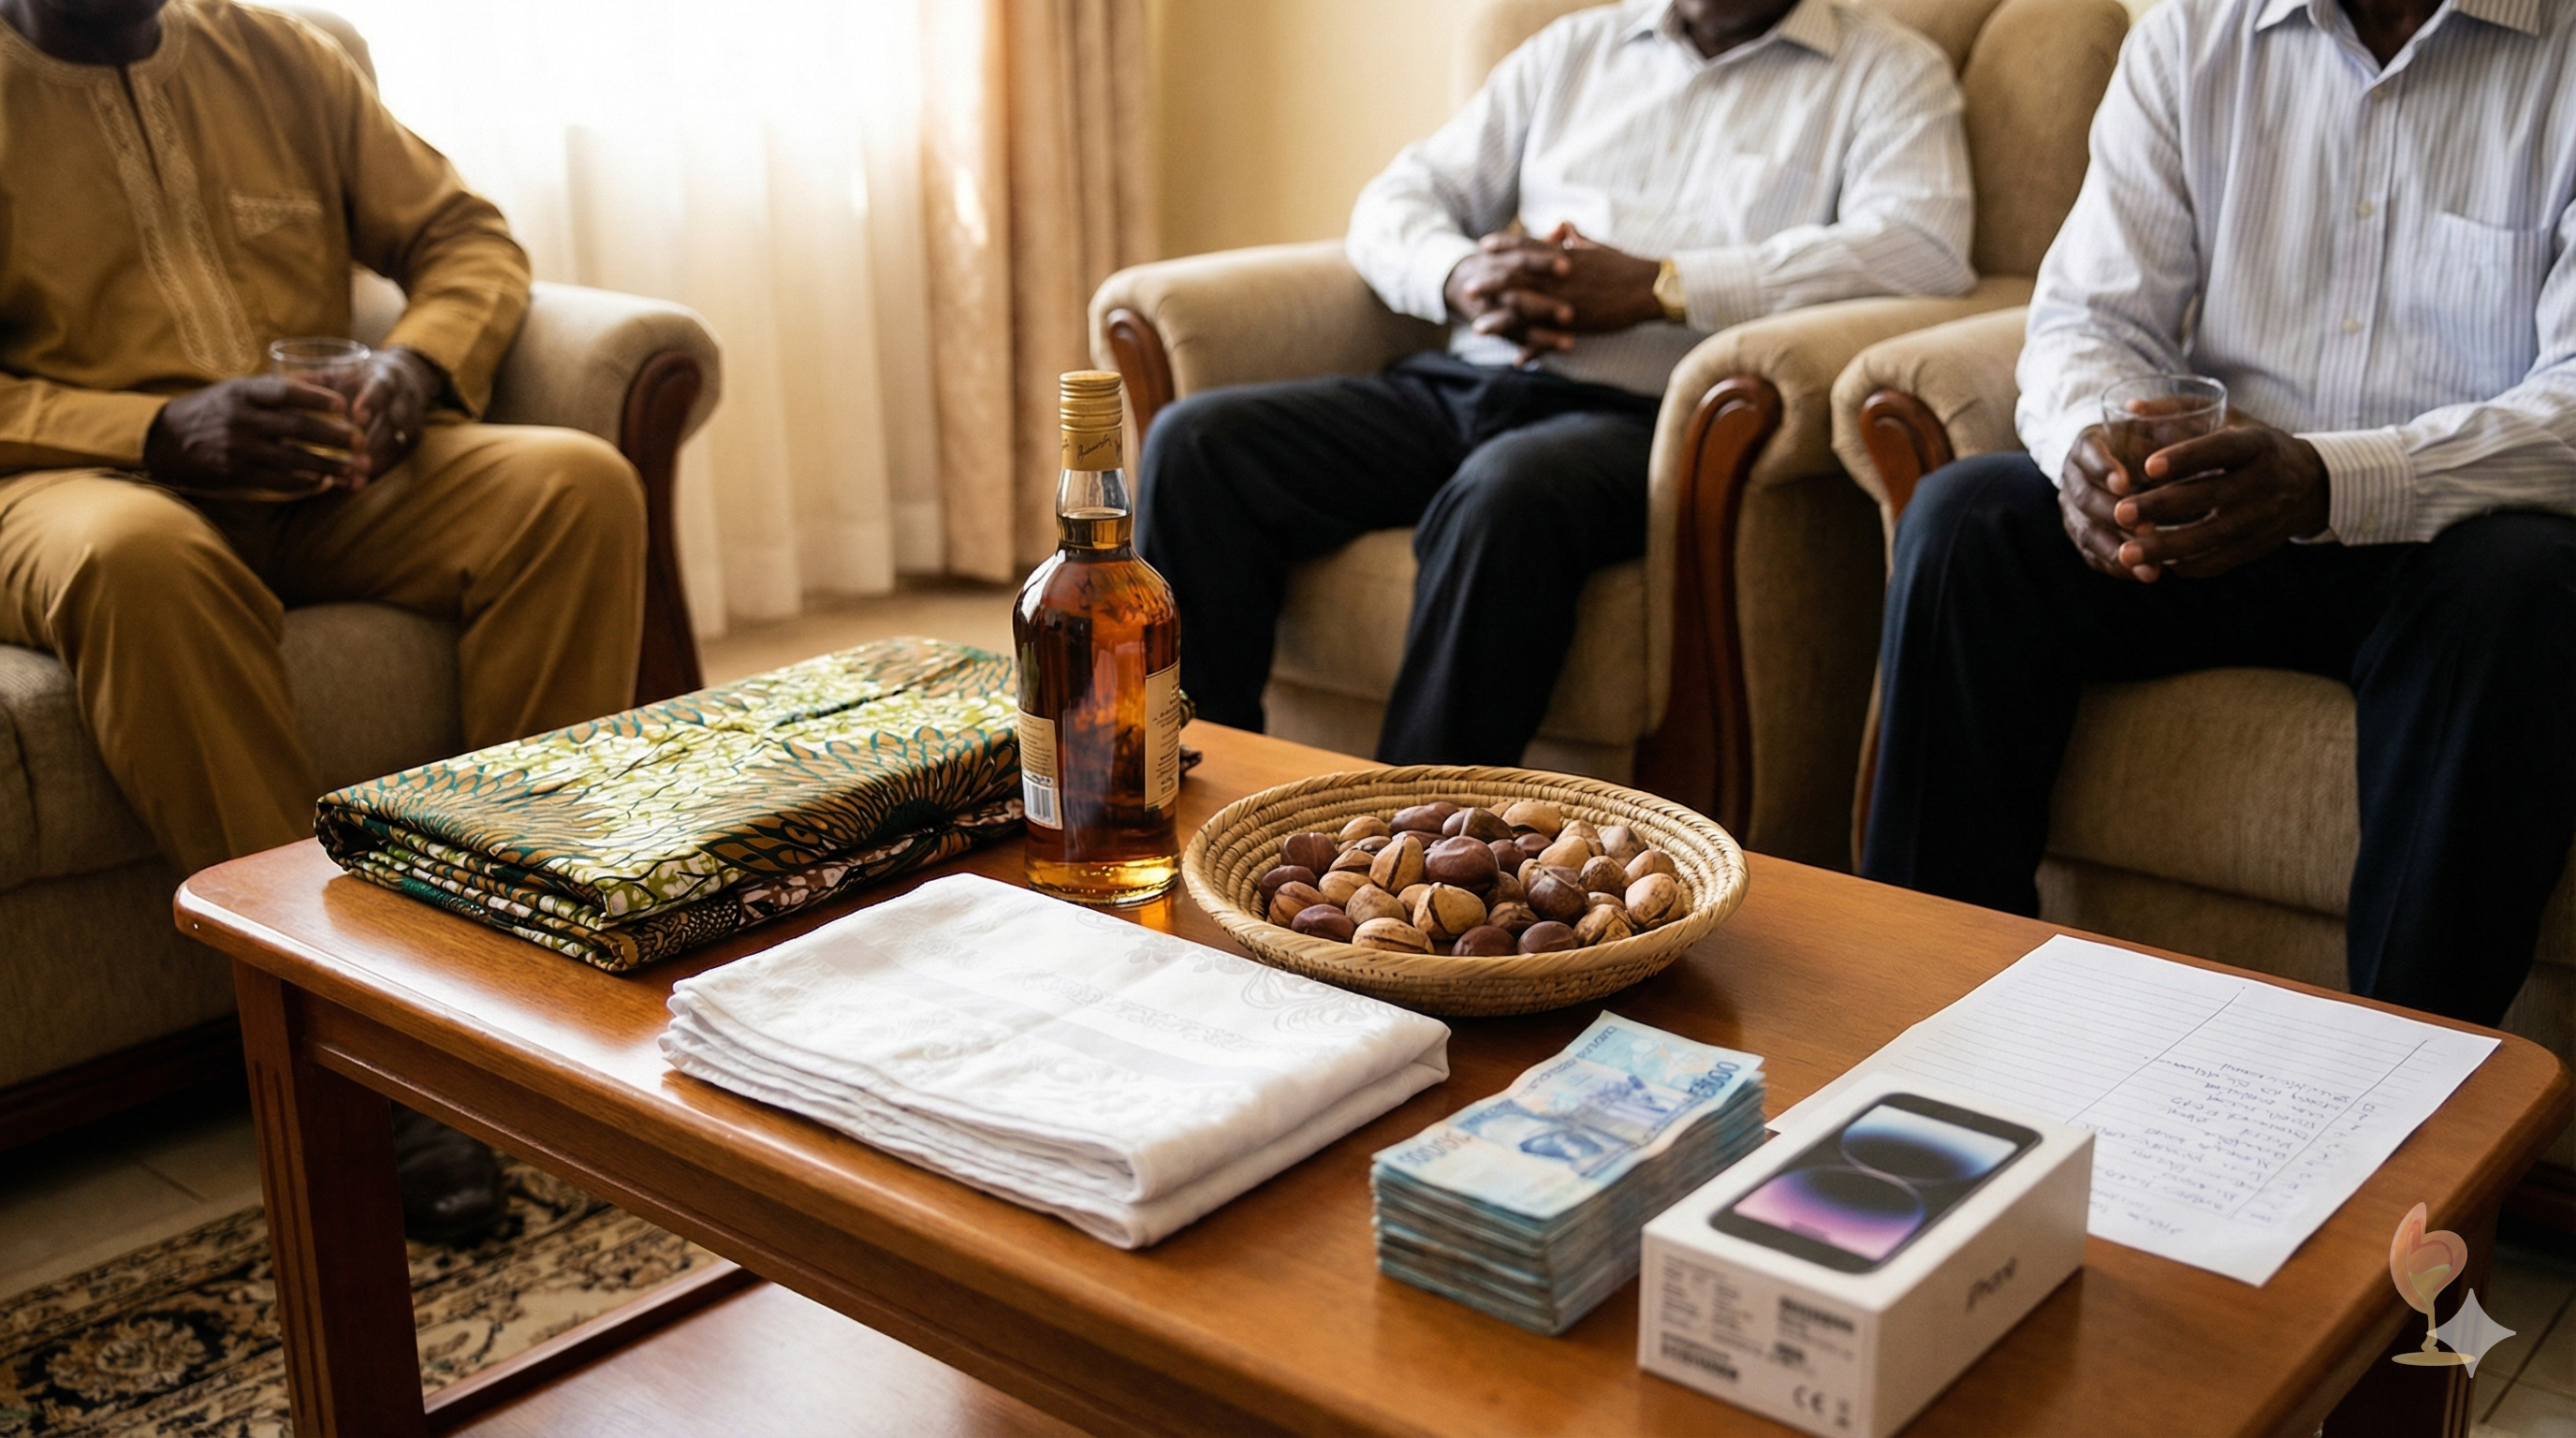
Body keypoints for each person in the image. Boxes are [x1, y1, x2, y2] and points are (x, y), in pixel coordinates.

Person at [0, 0, 649, 1237]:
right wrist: (147, 430)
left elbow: (466, 238)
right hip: (77, 487)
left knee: (572, 488)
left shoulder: (277, 54)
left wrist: (411, 367)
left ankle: (516, 960)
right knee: (141, 560)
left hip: (319, 472)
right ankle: (338, 1032)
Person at [1862, 0, 2576, 1026]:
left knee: (2523, 585)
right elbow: (2087, 319)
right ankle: (1928, 1011)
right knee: (1967, 520)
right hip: (2218, 516)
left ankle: (2407, 1096)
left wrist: (2327, 478)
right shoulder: (2193, 34)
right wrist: (2085, 454)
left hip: (2448, 541)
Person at [1137, 0, 1974, 764]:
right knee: (1200, 443)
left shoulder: (1885, 71)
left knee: (1505, 495)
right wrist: (1459, 272)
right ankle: (1198, 786)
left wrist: (1666, 286)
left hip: (1642, 420)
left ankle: (1408, 850)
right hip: (1468, 382)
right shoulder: (1575, 48)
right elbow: (1402, 195)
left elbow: (1923, 247)